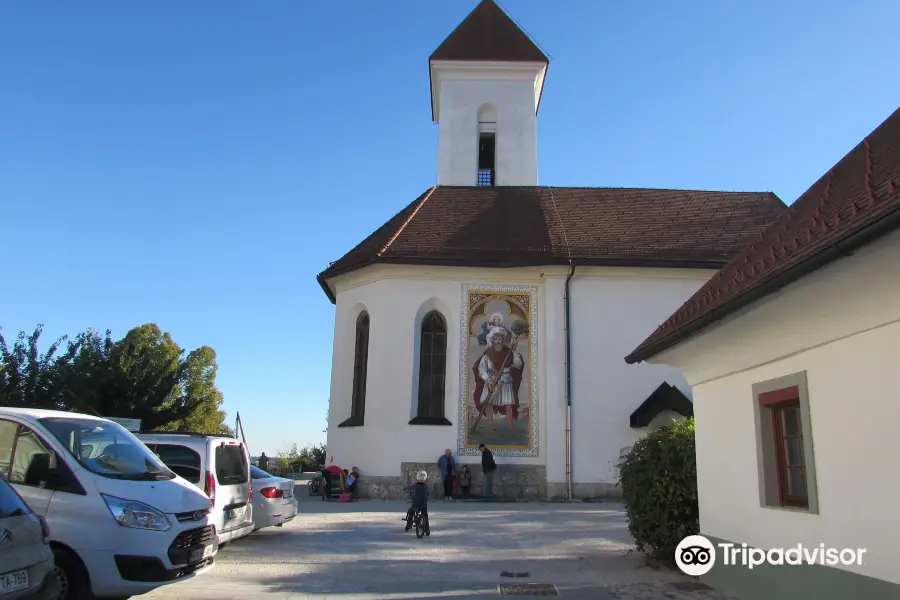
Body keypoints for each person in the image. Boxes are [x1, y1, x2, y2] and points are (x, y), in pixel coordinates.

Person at [473, 327, 525, 430]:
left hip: (505, 380)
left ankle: (510, 426)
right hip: (492, 380)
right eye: (496, 338)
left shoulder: (508, 351)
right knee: (487, 403)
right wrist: (489, 380)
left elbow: (518, 364)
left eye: (500, 338)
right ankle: (491, 425)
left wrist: (514, 351)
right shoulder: (488, 353)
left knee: (508, 404)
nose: (498, 340)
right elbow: (481, 368)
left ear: (503, 338)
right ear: (493, 339)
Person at [404, 470, 430, 535]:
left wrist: (404, 488)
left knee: (411, 512)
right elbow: (428, 494)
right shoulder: (426, 486)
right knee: (425, 515)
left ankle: (408, 525)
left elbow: (408, 487)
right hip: (423, 504)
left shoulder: (414, 486)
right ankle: (427, 529)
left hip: (415, 504)